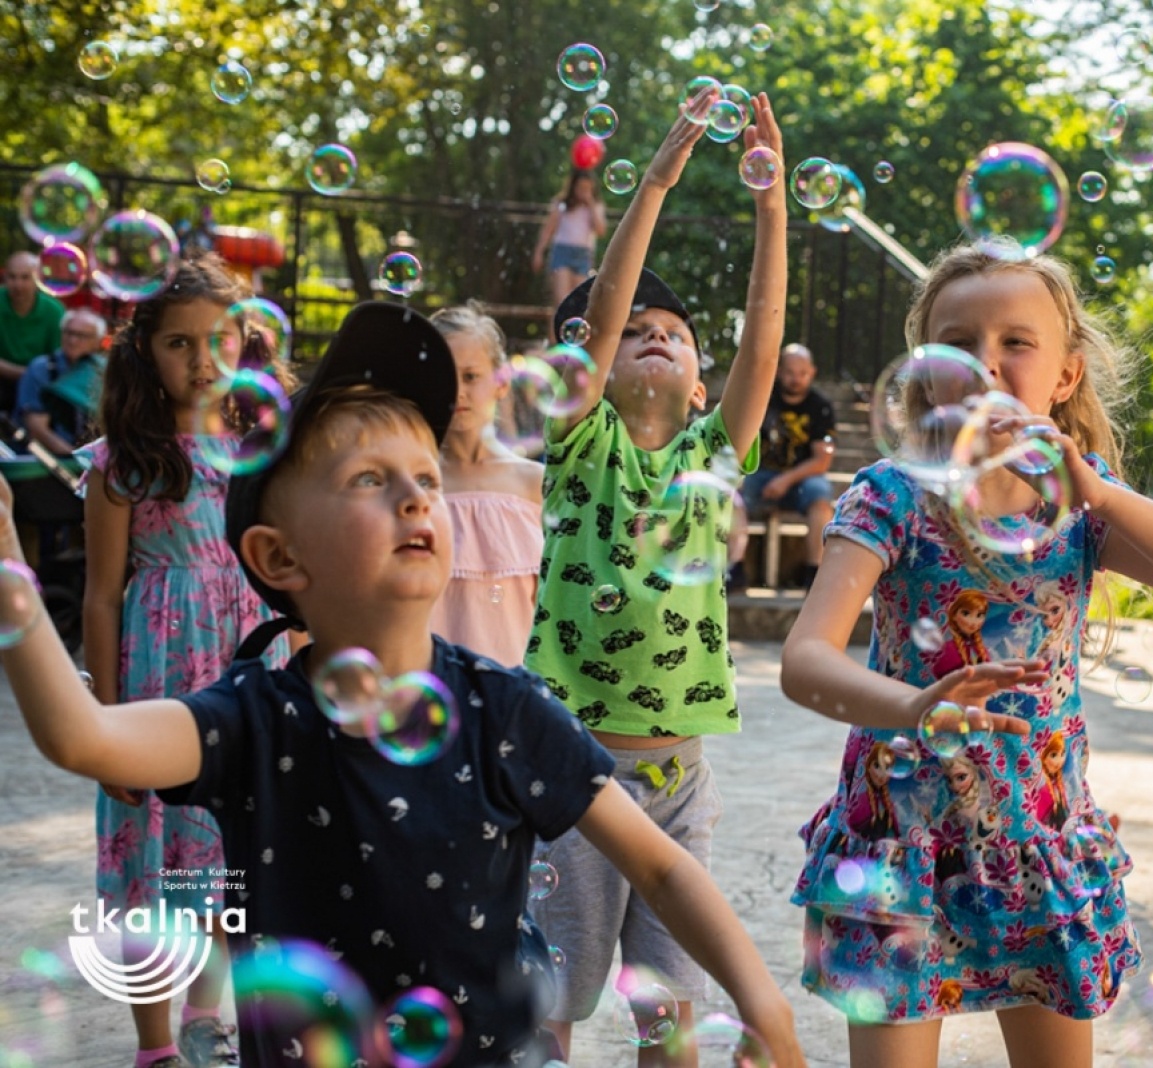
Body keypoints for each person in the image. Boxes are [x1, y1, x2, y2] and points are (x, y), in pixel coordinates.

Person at [0, 299, 805, 1068]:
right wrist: (9, 567)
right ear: (279, 558)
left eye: (425, 477)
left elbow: (662, 866)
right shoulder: (253, 716)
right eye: (368, 479)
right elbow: (81, 735)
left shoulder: (506, 708)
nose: (417, 495)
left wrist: (760, 999)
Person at [780, 240, 1153, 1067]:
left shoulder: (1083, 501)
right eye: (956, 346)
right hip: (896, 840)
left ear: (1065, 376)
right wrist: (915, 708)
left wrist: (1100, 494)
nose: (983, 367)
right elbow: (805, 659)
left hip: (1039, 838)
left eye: (1014, 344)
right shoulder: (891, 495)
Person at [524, 89, 787, 1064]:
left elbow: (764, 325)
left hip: (682, 781)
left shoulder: (714, 451)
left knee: (670, 1011)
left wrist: (772, 208)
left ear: (698, 375)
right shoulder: (581, 440)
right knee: (549, 1000)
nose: (652, 332)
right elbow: (599, 317)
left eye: (672, 330)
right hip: (575, 771)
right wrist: (660, 180)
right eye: (633, 327)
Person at [80, 254, 297, 1068]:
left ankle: (208, 1017)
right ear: (146, 352)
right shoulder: (121, 463)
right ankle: (155, 1046)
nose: (203, 360)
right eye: (180, 343)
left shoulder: (263, 450)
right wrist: (100, 722)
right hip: (157, 682)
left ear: (247, 342)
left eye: (221, 339)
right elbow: (101, 597)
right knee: (151, 861)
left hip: (245, 674)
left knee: (225, 858)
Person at [425, 302, 545, 668]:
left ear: (501, 382)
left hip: (517, 695)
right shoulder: (415, 486)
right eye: (443, 375)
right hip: (432, 689)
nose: (457, 391)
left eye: (471, 376)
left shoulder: (534, 483)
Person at [730, 343, 836, 590]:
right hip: (760, 473)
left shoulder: (820, 406)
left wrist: (785, 480)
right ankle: (734, 568)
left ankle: (814, 572)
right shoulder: (763, 398)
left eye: (803, 373)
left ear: (813, 372)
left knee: (821, 499)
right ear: (779, 371)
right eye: (790, 372)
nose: (796, 379)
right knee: (731, 497)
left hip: (802, 477)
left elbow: (822, 460)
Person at [14, 307, 107, 455]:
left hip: (94, 459)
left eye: (82, 335)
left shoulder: (104, 370)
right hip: (50, 460)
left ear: (98, 341)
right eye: (68, 332)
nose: (73, 340)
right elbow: (37, 427)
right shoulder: (41, 368)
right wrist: (74, 457)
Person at [532, 168, 607, 314]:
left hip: (583, 254)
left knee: (578, 301)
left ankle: (571, 335)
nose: (583, 191)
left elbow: (600, 230)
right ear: (573, 187)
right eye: (581, 187)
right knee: (561, 300)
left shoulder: (596, 206)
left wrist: (590, 204)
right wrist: (539, 252)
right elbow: (548, 230)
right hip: (562, 251)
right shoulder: (562, 204)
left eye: (587, 188)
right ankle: (556, 335)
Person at [0, 251, 67, 412]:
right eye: (12, 277)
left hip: (40, 382)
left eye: (25, 277)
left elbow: (58, 360)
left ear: (38, 279)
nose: (18, 285)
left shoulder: (54, 311)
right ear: (4, 277)